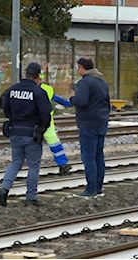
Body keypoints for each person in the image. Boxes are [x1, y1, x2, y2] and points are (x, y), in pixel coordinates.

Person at [0, 62, 52, 207]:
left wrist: (13, 120)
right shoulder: (39, 92)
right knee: (33, 166)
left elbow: (4, 107)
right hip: (31, 133)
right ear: (38, 76)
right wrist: (42, 129)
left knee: (15, 162)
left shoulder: (13, 89)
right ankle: (30, 198)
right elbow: (46, 115)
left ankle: (4, 189)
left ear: (26, 74)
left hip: (15, 131)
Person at [70, 57, 110, 198]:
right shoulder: (102, 82)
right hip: (101, 123)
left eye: (78, 67)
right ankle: (98, 187)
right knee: (99, 156)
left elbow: (81, 101)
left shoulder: (85, 82)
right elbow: (107, 103)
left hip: (88, 124)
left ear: (81, 67)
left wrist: (72, 97)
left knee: (89, 158)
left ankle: (90, 189)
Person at [39, 72, 73, 175]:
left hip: (35, 121)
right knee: (54, 143)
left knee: (35, 143)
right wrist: (70, 103)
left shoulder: (28, 88)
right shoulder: (47, 89)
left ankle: (62, 165)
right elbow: (59, 99)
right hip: (47, 121)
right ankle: (63, 164)